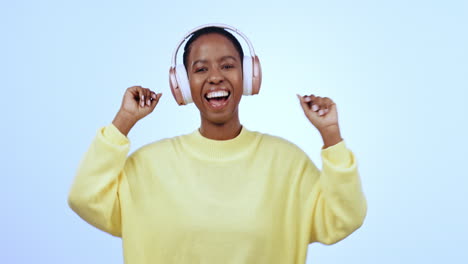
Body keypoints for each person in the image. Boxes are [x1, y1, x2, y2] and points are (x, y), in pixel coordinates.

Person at [68, 24, 367, 264]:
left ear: (249, 76)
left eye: (227, 66)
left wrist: (331, 135)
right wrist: (123, 121)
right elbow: (85, 197)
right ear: (182, 85)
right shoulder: (148, 165)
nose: (215, 78)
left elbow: (344, 217)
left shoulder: (286, 163)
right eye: (200, 70)